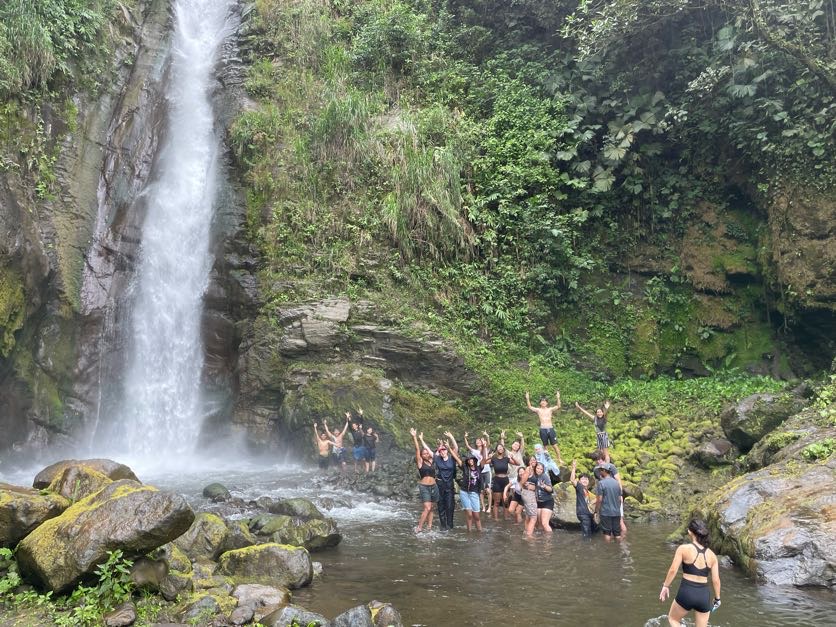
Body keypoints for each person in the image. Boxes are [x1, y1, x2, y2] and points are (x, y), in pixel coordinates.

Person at [659, 518, 721, 627]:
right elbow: (716, 580)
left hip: (687, 592)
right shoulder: (712, 556)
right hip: (704, 595)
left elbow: (673, 570)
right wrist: (717, 599)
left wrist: (666, 586)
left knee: (673, 619)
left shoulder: (683, 549)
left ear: (689, 532)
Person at [410, 428, 438, 533]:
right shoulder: (420, 463)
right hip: (424, 487)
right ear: (421, 456)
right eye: (424, 454)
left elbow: (431, 453)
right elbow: (417, 449)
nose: (426, 454)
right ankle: (419, 527)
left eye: (427, 453)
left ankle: (429, 527)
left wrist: (423, 440)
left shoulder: (432, 461)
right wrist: (414, 437)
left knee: (432, 508)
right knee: (427, 507)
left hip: (434, 487)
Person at [449, 445, 483, 531]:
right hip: (464, 492)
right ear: (467, 461)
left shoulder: (479, 468)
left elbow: (485, 459)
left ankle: (480, 531)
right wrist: (449, 448)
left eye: (471, 459)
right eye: (468, 460)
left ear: (474, 460)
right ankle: (469, 532)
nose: (470, 461)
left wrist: (485, 447)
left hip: (474, 493)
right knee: (469, 514)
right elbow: (456, 458)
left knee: (477, 516)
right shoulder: (465, 467)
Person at [525, 390, 564, 464]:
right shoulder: (538, 410)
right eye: (542, 401)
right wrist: (527, 398)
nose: (543, 402)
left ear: (547, 403)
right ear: (540, 403)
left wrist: (558, 398)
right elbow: (530, 407)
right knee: (545, 446)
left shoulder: (550, 409)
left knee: (555, 445)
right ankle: (548, 460)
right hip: (543, 429)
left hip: (550, 428)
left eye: (545, 401)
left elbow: (558, 406)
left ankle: (559, 459)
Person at [593, 451, 627, 535]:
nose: (598, 461)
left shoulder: (612, 467)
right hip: (605, 498)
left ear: (603, 458)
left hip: (615, 495)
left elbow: (618, 480)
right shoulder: (596, 470)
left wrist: (621, 495)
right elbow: (600, 484)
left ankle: (623, 542)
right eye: (596, 460)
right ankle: (613, 542)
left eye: (599, 459)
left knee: (620, 520)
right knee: (607, 521)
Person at [433, 431, 460, 531]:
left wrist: (451, 436)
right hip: (440, 484)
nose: (443, 452)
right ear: (439, 452)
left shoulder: (452, 459)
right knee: (440, 506)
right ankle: (443, 526)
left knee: (450, 505)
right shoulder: (437, 459)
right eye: (441, 451)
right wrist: (439, 446)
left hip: (449, 485)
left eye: (444, 450)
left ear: (447, 451)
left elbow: (456, 448)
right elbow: (430, 452)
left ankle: (450, 525)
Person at [485, 432, 512, 520]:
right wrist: (489, 457)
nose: (500, 449)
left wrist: (512, 457)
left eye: (502, 448)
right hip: (496, 480)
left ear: (503, 450)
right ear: (496, 450)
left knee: (506, 501)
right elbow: (483, 462)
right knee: (496, 502)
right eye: (498, 448)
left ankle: (506, 518)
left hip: (505, 480)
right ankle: (496, 519)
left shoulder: (506, 458)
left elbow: (517, 463)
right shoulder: (494, 459)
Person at [593, 465, 622, 540]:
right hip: (616, 512)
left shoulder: (601, 483)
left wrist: (596, 511)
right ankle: (619, 548)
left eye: (601, 470)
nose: (600, 472)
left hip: (606, 512)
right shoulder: (616, 483)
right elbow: (619, 499)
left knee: (607, 533)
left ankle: (608, 550)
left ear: (605, 471)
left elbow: (599, 499)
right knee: (617, 533)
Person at [569, 459, 594, 537]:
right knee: (586, 534)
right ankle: (585, 546)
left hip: (587, 513)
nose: (585, 480)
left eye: (586, 479)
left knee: (589, 532)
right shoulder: (579, 486)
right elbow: (572, 480)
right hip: (583, 513)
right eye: (582, 479)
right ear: (579, 481)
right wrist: (573, 468)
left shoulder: (586, 490)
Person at [533, 462, 554, 534]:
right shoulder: (533, 476)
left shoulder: (545, 476)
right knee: (539, 524)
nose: (539, 470)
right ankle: (541, 541)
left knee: (544, 523)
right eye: (538, 468)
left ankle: (549, 541)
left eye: (541, 469)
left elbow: (551, 490)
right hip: (538, 502)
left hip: (547, 501)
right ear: (535, 468)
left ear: (543, 470)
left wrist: (544, 486)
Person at [520, 456, 540, 537]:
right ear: (528, 462)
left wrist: (534, 486)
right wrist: (527, 486)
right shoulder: (528, 469)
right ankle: (529, 536)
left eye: (534, 459)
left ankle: (526, 531)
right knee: (534, 517)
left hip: (529, 493)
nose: (533, 461)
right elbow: (522, 482)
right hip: (528, 494)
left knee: (528, 515)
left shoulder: (534, 470)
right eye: (531, 460)